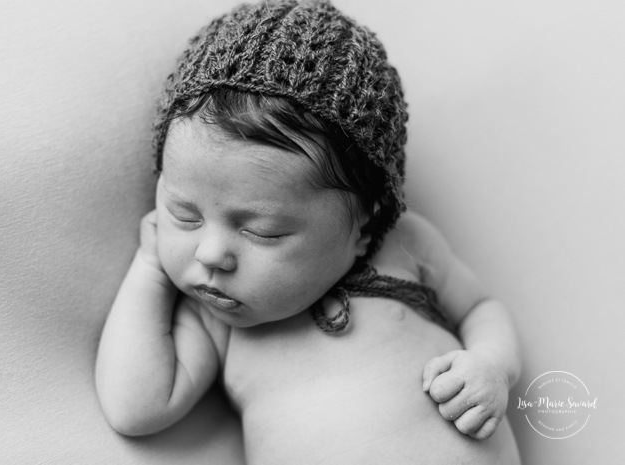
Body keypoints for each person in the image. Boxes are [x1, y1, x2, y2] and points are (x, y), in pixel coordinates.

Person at [95, 0, 522, 462]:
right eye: (185, 215)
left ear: (365, 225)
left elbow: (481, 307)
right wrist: (151, 268)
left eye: (264, 231)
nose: (212, 253)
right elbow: (134, 408)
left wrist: (492, 365)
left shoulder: (405, 247)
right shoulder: (216, 319)